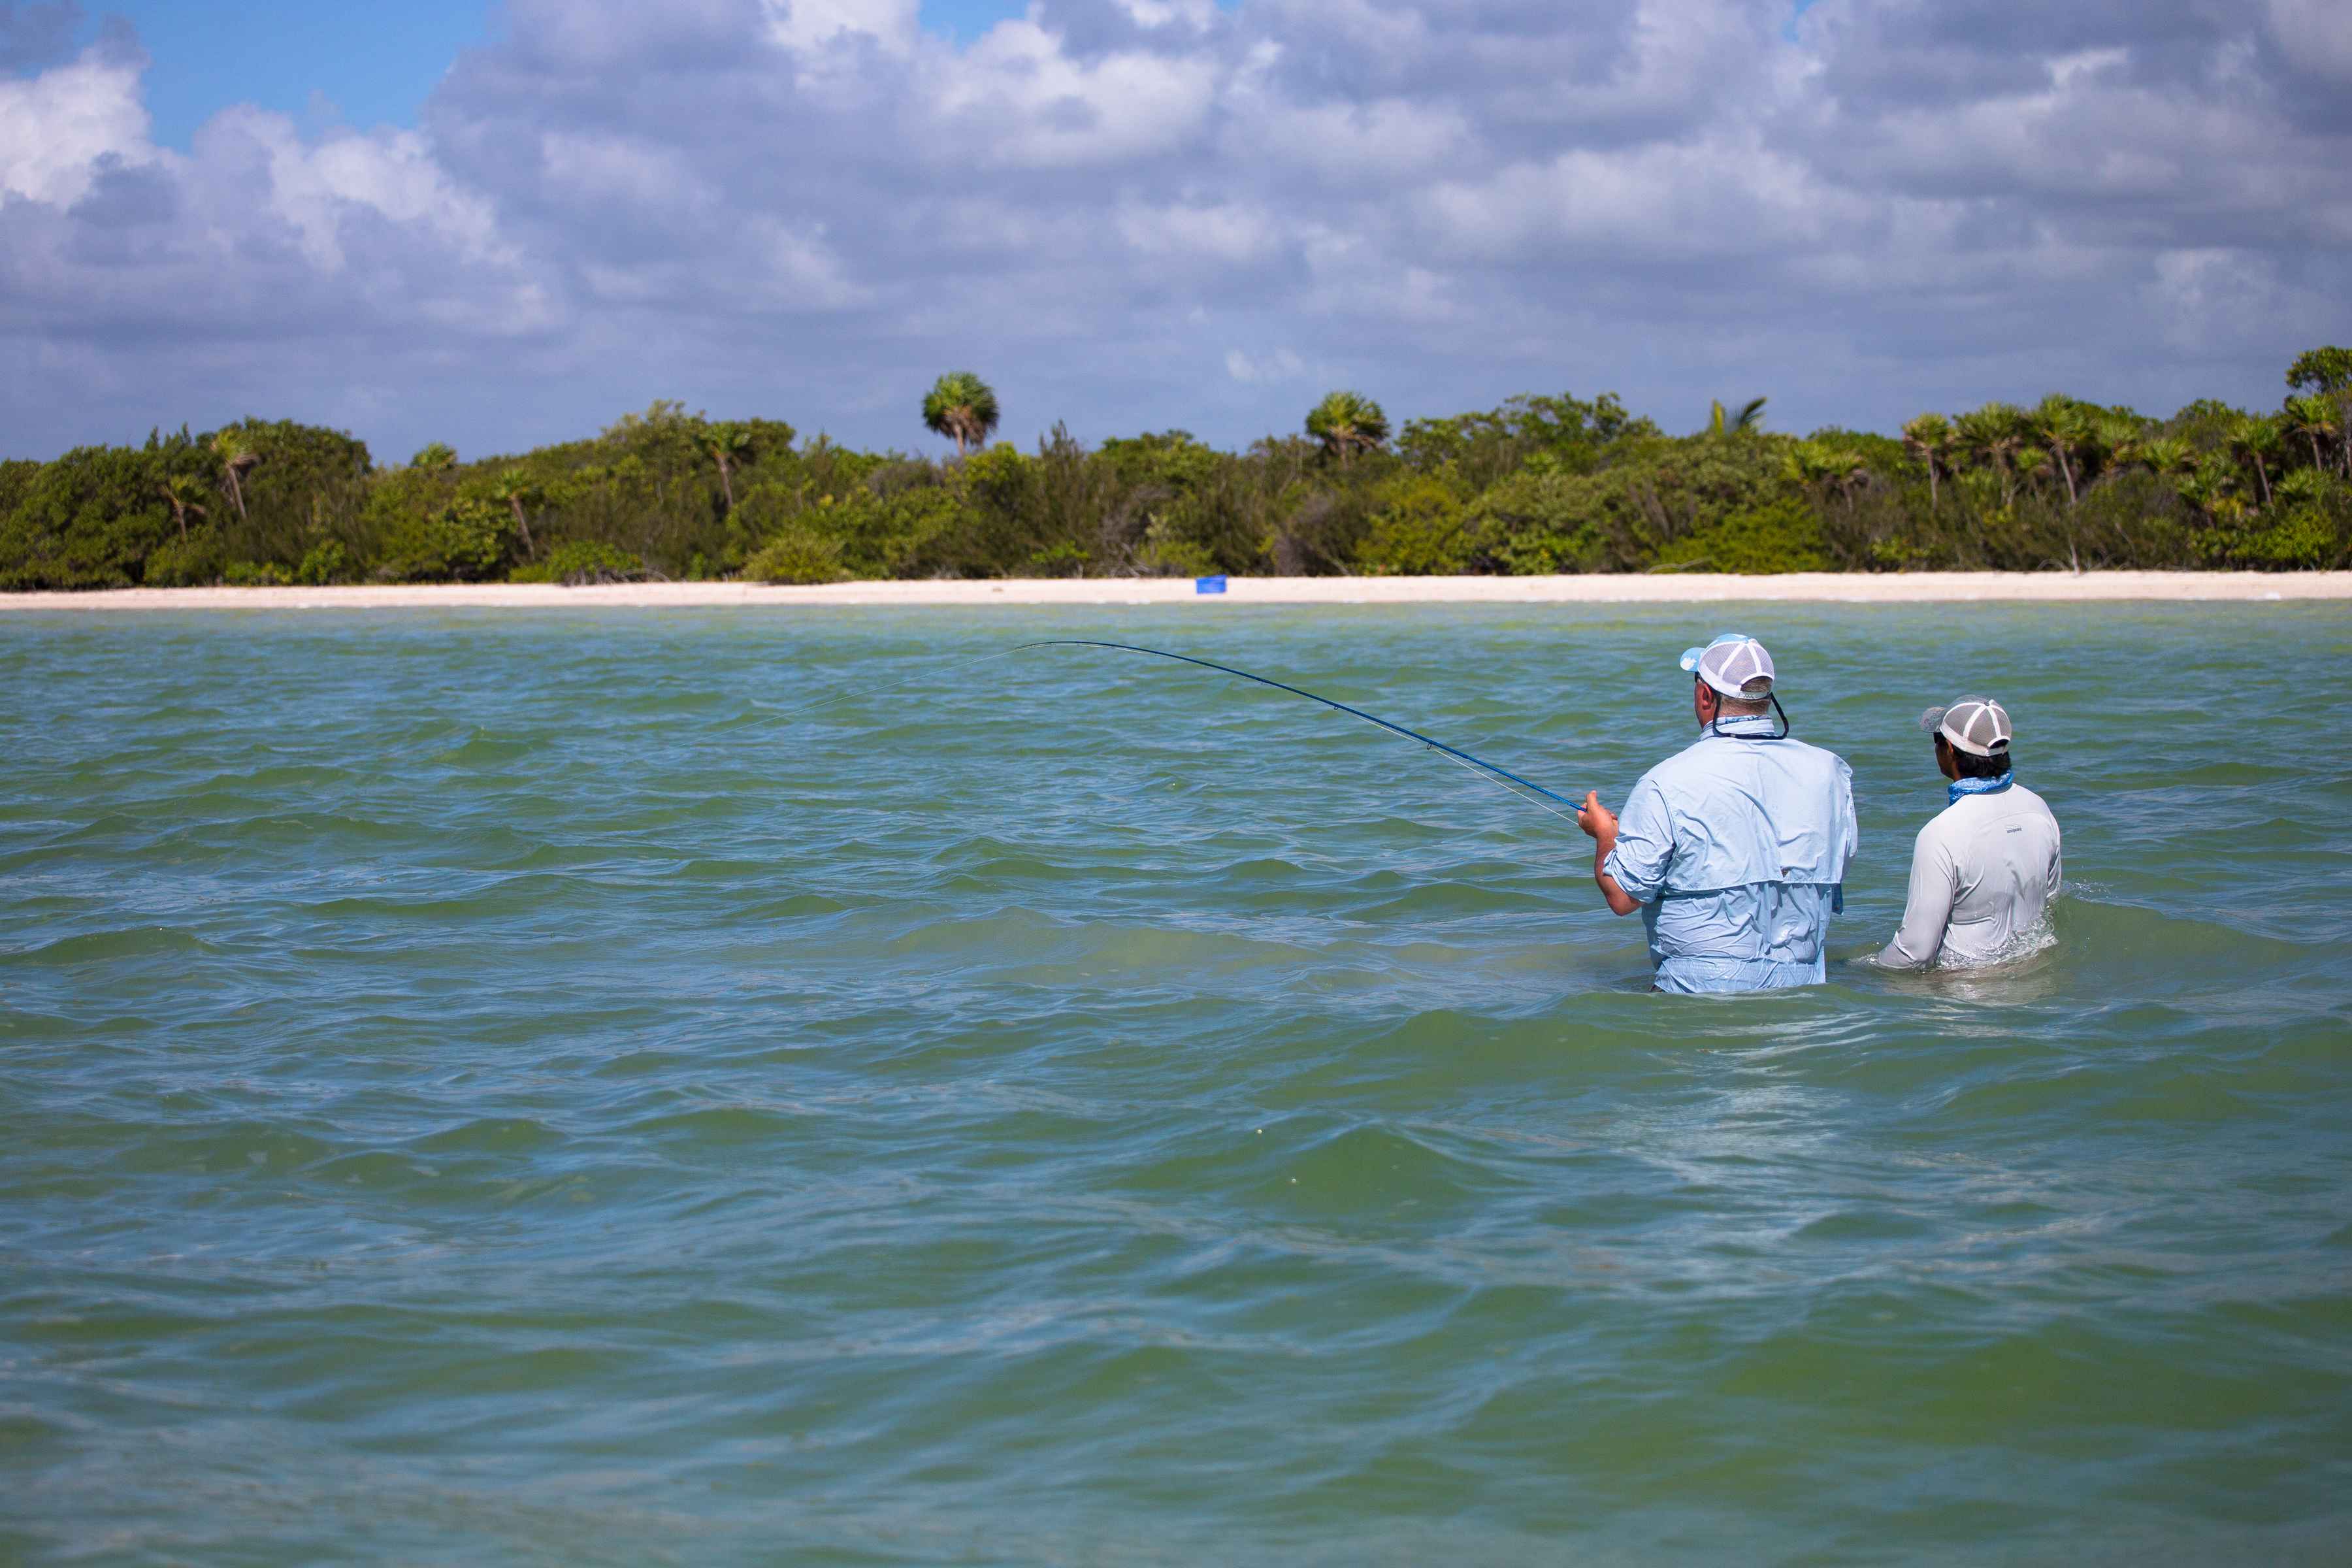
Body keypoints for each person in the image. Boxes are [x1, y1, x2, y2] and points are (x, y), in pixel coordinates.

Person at [1576, 633, 1858, 994]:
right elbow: (1841, 865)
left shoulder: (1665, 781)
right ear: (1766, 698)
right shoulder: (1831, 771)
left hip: (1696, 997)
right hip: (1803, 995)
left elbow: (1622, 897)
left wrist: (1604, 836)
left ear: (1705, 694)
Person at [1874, 696, 2061, 970]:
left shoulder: (1941, 833)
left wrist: (1856, 972)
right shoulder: (2040, 809)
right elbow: (2051, 901)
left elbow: (1915, 953)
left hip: (1965, 993)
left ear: (1948, 750)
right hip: (2034, 976)